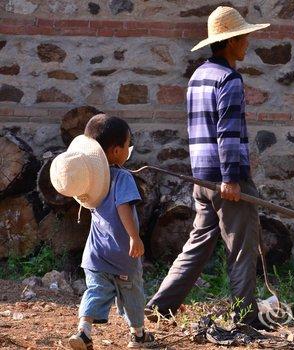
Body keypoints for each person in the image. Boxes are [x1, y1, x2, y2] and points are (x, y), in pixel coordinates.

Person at [146, 6, 270, 328]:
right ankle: (246, 318)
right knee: (241, 249)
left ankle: (161, 305)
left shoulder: (198, 76)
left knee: (198, 244)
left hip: (202, 178)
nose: (247, 42)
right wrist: (231, 179)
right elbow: (227, 134)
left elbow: (196, 129)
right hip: (227, 180)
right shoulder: (229, 79)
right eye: (243, 37)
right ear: (230, 42)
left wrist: (208, 178)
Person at [50, 114, 155, 349]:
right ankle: (138, 336)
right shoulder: (123, 177)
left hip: (96, 255)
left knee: (96, 290)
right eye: (128, 144)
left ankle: (84, 331)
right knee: (132, 294)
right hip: (123, 255)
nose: (130, 148)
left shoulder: (89, 181)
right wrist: (134, 237)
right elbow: (123, 207)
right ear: (117, 151)